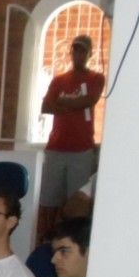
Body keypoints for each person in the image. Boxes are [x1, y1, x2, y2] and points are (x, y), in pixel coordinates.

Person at [37, 34, 105, 241]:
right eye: (75, 49)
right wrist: (74, 104)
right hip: (56, 147)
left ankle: (75, 239)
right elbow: (46, 106)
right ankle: (47, 238)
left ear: (90, 54)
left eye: (83, 50)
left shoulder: (96, 78)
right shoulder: (59, 80)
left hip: (81, 149)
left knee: (77, 200)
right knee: (49, 199)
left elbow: (89, 100)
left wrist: (62, 103)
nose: (78, 54)